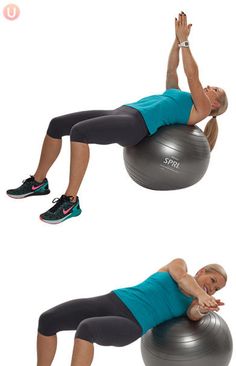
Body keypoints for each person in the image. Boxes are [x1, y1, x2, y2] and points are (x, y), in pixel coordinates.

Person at [6, 11, 228, 224]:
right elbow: (172, 69)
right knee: (57, 124)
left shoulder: (202, 108)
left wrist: (185, 43)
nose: (209, 86)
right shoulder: (182, 96)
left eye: (215, 89)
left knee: (79, 133)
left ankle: (70, 201)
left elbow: (193, 76)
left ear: (215, 105)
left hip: (136, 125)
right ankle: (38, 182)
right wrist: (176, 38)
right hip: (123, 111)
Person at [4, 259, 226, 366]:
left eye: (216, 289)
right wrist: (202, 294)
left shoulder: (192, 303)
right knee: (48, 319)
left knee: (87, 329)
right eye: (212, 281)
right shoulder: (179, 265)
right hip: (111, 301)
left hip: (131, 323)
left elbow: (195, 313)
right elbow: (183, 278)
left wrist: (202, 306)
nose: (212, 288)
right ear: (202, 271)